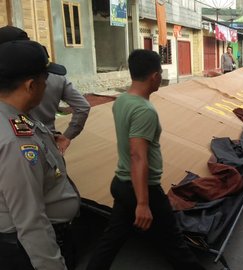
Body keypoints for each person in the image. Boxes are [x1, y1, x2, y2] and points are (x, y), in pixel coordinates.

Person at [86, 50, 205, 270]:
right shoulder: (144, 110)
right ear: (154, 76)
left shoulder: (121, 101)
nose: (161, 77)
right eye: (160, 72)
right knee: (174, 243)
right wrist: (143, 203)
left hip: (122, 183)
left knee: (111, 241)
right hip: (142, 189)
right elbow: (138, 155)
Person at [0, 40, 80, 270]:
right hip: (27, 251)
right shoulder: (16, 141)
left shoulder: (18, 117)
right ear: (31, 86)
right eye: (45, 82)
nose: (47, 88)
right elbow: (30, 220)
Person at [0, 26, 91, 155]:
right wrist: (67, 136)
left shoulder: (11, 85)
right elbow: (83, 107)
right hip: (48, 146)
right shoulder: (53, 76)